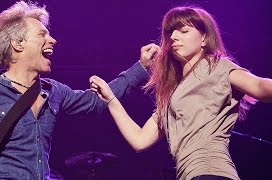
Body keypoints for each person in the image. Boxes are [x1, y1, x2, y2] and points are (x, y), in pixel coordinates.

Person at [0, 1, 153, 180]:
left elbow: (97, 101)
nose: (53, 40)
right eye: (42, 34)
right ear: (17, 43)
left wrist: (142, 67)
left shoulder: (53, 90)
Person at [90, 6, 272, 180]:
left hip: (212, 172)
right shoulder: (173, 93)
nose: (173, 37)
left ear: (204, 38)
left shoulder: (215, 67)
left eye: (183, 31)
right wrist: (111, 99)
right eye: (170, 32)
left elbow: (260, 87)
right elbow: (140, 140)